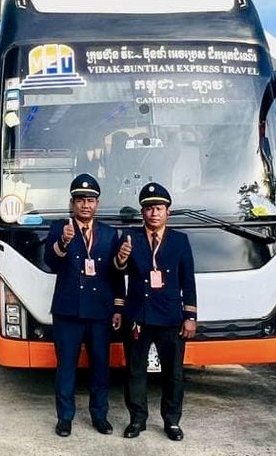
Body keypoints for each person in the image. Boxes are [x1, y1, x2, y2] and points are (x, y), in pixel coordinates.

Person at [43, 173, 127, 438]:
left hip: (100, 313)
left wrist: (118, 307)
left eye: (90, 200)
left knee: (100, 367)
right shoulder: (60, 228)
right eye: (80, 200)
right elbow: (51, 263)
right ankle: (65, 418)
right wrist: (63, 243)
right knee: (66, 367)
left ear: (97, 204)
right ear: (72, 203)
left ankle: (99, 415)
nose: (85, 205)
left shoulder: (109, 233)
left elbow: (116, 274)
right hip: (68, 311)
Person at [117, 182, 197, 442]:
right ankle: (137, 420)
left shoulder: (180, 241)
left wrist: (190, 317)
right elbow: (117, 273)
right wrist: (121, 258)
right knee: (135, 371)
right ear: (142, 212)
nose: (154, 213)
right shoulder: (130, 238)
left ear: (168, 212)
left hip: (171, 318)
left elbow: (188, 280)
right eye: (149, 208)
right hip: (138, 317)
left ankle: (172, 421)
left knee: (173, 372)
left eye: (159, 208)